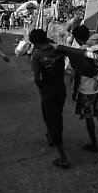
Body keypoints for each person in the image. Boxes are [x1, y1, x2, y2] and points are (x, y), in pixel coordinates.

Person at [29, 29, 69, 169]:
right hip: (60, 88)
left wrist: (42, 87)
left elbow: (36, 78)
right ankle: (52, 136)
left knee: (53, 120)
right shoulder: (57, 50)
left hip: (48, 90)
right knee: (54, 115)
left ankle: (63, 157)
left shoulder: (37, 55)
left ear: (34, 42)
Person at [72, 24, 98, 152]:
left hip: (86, 89)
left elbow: (77, 74)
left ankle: (94, 144)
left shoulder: (77, 53)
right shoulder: (95, 49)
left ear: (76, 39)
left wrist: (74, 91)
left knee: (89, 118)